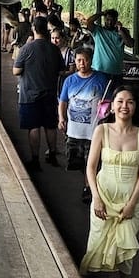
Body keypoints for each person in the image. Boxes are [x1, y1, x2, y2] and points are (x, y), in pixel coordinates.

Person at [79, 85, 139, 278]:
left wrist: (132, 203)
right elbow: (91, 167)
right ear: (112, 105)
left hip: (131, 198)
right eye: (120, 101)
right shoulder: (102, 130)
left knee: (125, 243)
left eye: (129, 102)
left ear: (135, 106)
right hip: (104, 193)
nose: (124, 106)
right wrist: (96, 197)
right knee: (97, 238)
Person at [13, 17, 66, 171]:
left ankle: (35, 160)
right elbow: (61, 70)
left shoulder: (27, 49)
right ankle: (53, 155)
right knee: (50, 126)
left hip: (29, 94)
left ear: (34, 29)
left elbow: (16, 71)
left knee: (34, 127)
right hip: (50, 94)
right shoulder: (54, 49)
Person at [58, 47, 110, 201]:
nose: (82, 63)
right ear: (75, 61)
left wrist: (105, 106)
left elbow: (109, 101)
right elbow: (63, 101)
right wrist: (61, 118)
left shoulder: (101, 79)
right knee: (78, 161)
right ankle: (88, 181)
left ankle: (89, 187)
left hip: (94, 131)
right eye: (79, 60)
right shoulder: (70, 80)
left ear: (91, 60)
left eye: (86, 60)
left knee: (92, 161)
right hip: (74, 131)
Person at [85, 8, 134, 80]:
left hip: (116, 72)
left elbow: (130, 44)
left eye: (112, 20)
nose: (110, 22)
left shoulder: (123, 31)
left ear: (116, 20)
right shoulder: (98, 31)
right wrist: (101, 13)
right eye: (107, 20)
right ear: (104, 19)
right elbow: (89, 22)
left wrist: (121, 31)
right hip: (99, 70)